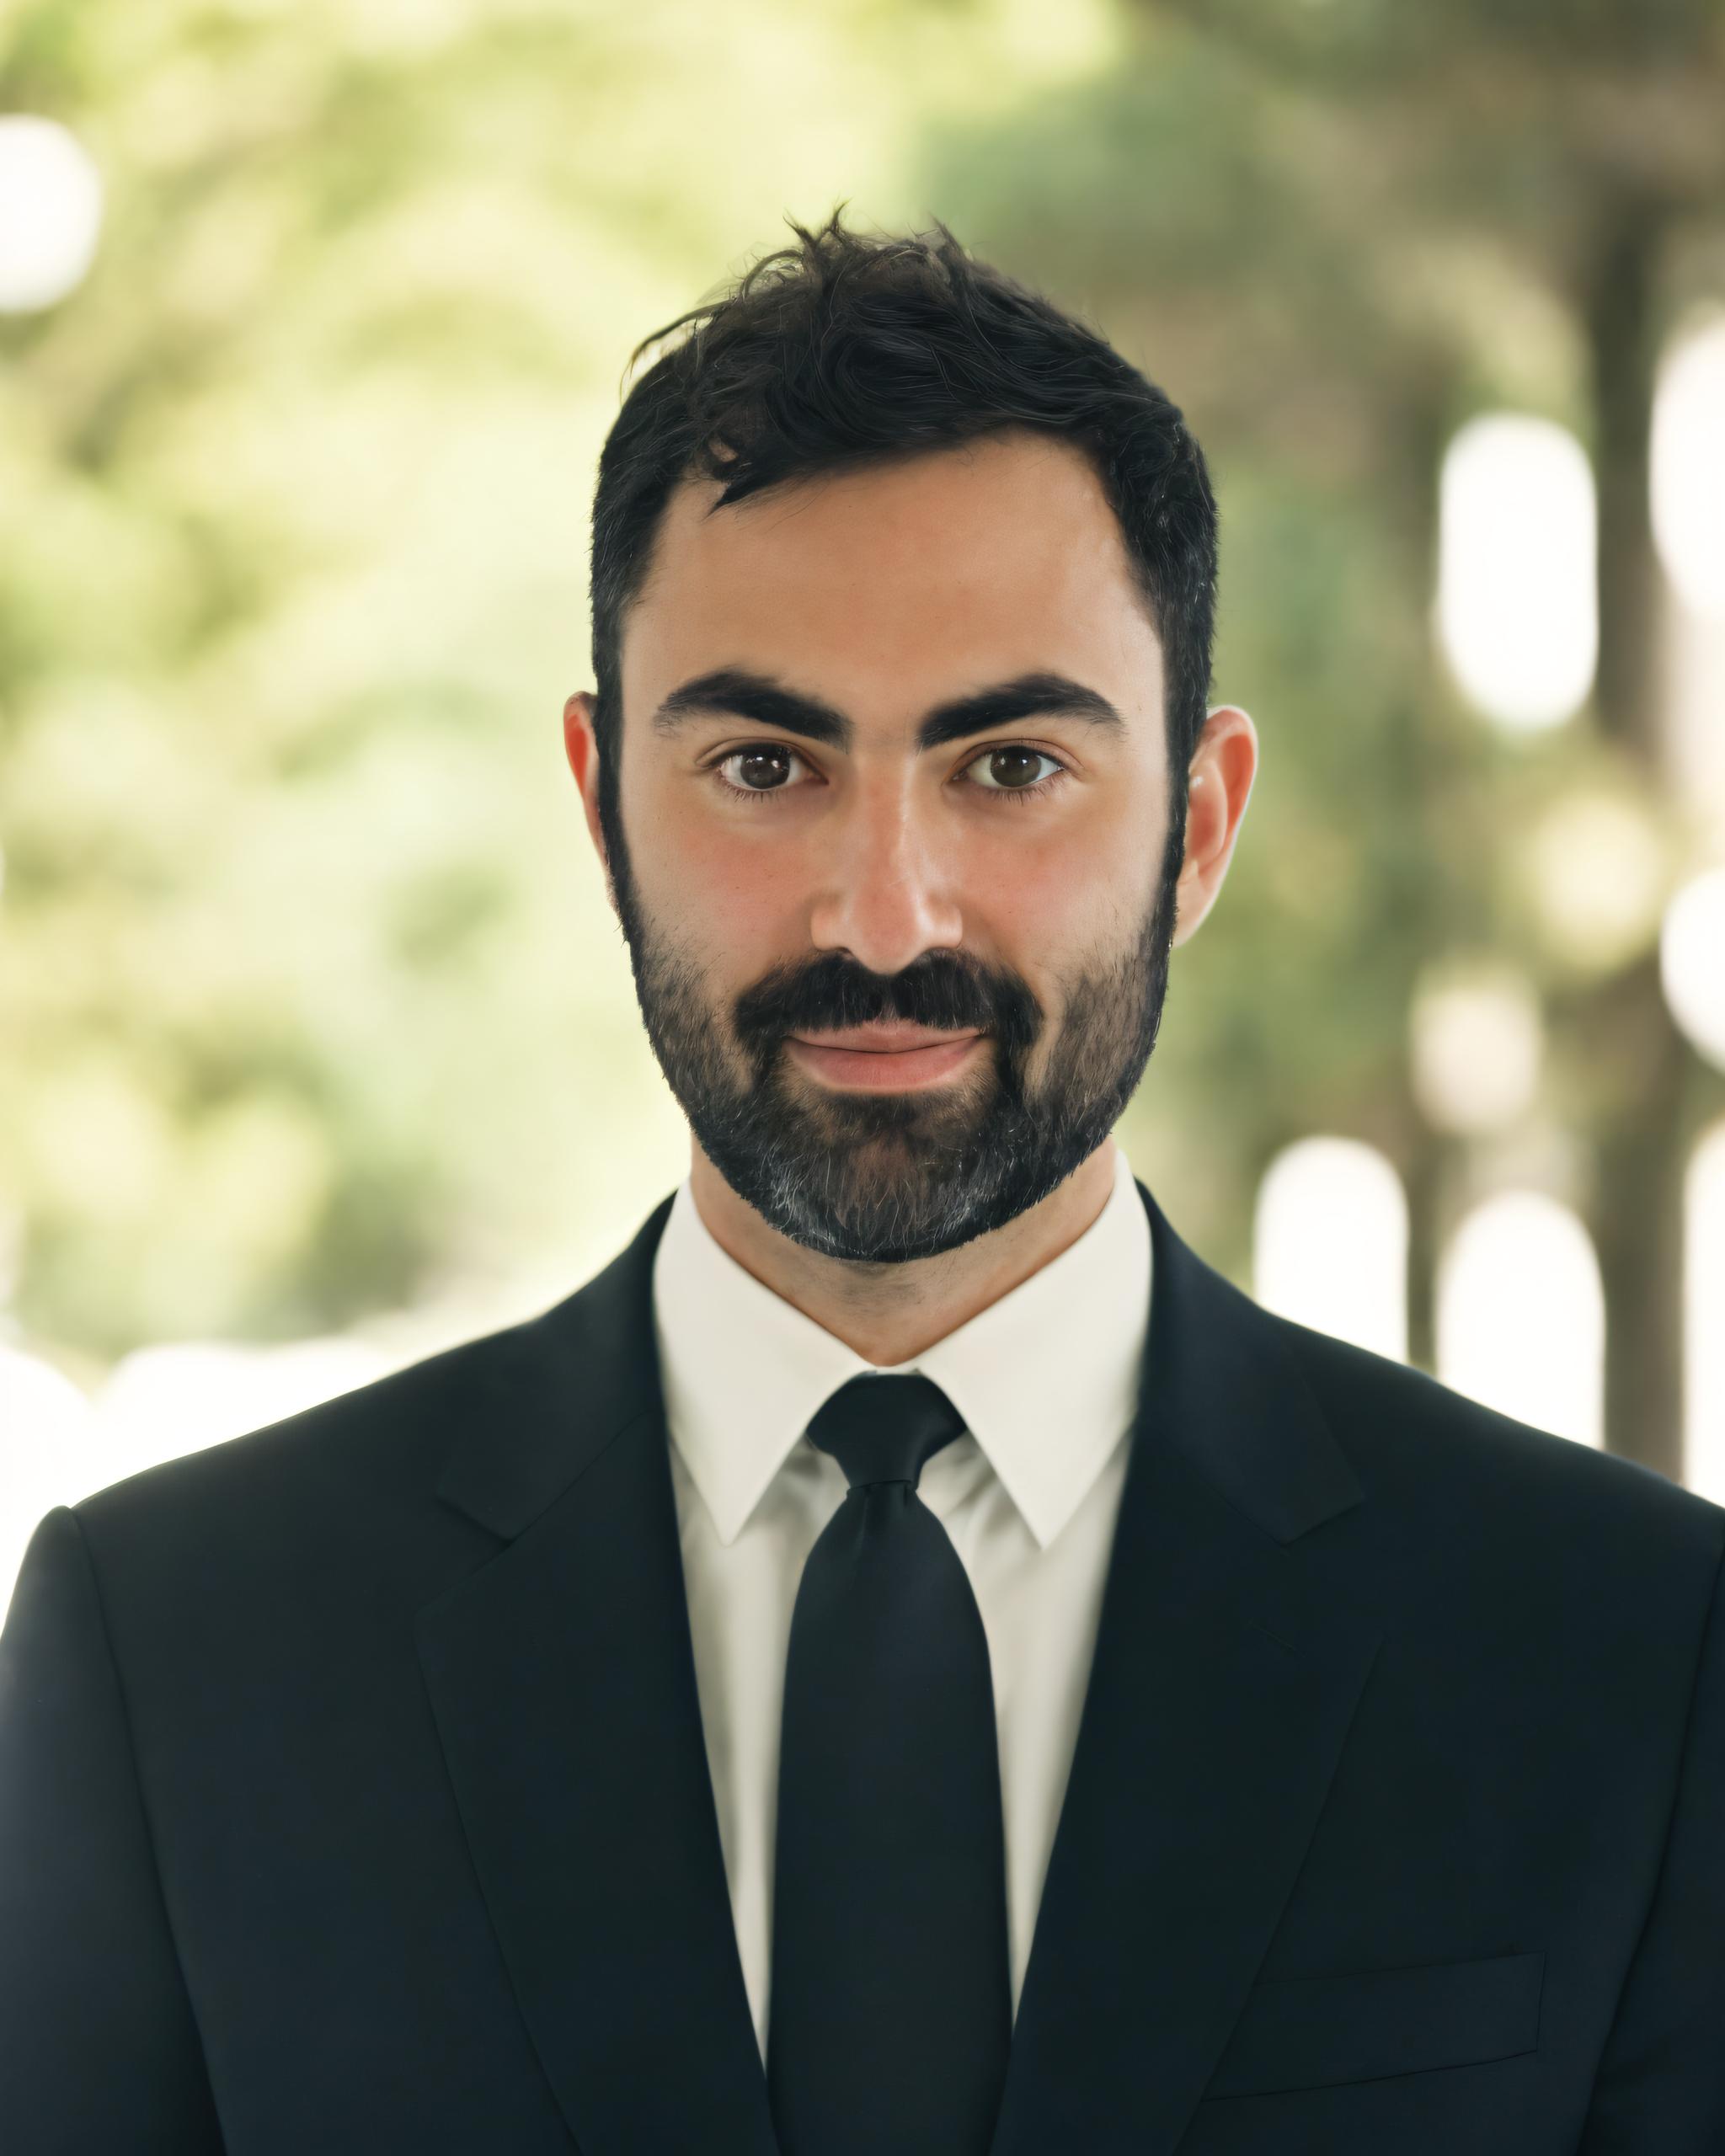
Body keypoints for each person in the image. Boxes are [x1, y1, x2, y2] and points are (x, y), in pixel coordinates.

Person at [3, 210, 1722, 2156]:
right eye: (762, 765)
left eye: (1007, 768)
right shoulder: (178, 1657)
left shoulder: (1624, 1659)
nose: (884, 914)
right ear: (598, 804)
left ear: (1200, 820)